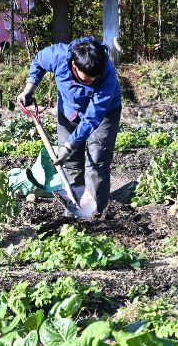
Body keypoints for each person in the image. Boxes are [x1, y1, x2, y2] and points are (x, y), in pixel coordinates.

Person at [17, 36, 122, 217]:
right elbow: (38, 62)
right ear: (74, 65)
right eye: (88, 78)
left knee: (97, 161)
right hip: (69, 111)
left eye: (95, 78)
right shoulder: (57, 55)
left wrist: (69, 145)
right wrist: (29, 89)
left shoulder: (107, 73)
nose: (92, 81)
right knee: (70, 163)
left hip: (104, 114)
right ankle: (75, 209)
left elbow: (92, 117)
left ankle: (94, 214)